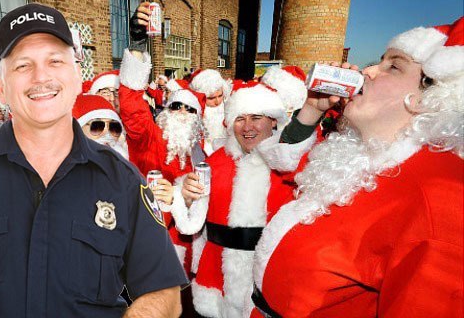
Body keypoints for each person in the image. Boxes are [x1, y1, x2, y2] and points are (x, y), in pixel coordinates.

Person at [0, 3, 187, 318]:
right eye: (22, 65)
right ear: (2, 88)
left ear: (75, 77)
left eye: (55, 61)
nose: (41, 77)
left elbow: (163, 291)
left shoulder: (121, 177)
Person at [250, 17, 464, 317]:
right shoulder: (358, 152)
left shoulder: (441, 196)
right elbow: (283, 175)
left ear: (429, 96)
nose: (367, 71)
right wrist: (311, 110)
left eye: (394, 66)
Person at [171, 67, 311, 318]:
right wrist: (187, 197)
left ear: (273, 120)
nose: (247, 127)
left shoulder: (289, 162)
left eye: (256, 117)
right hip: (216, 279)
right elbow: (193, 218)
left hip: (268, 278)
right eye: (239, 118)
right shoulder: (215, 162)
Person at [189, 69, 231, 155]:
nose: (217, 101)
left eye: (220, 96)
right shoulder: (194, 114)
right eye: (211, 98)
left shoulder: (229, 108)